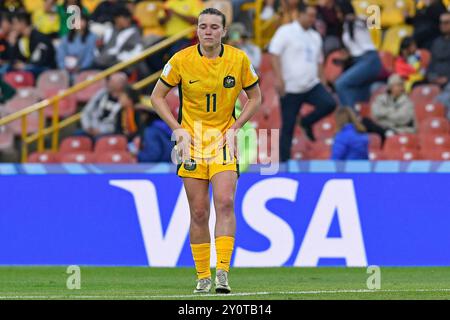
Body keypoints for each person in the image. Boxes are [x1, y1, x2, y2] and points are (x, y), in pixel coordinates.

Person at [150, 8, 261, 294]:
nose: (208, 31)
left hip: (223, 141)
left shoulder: (238, 59)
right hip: (192, 145)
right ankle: (202, 276)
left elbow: (256, 97)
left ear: (224, 31)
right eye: (203, 26)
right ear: (196, 30)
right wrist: (177, 128)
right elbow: (157, 96)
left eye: (214, 26)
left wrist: (236, 127)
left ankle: (222, 272)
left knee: (224, 202)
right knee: (198, 212)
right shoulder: (180, 60)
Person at [269, 2, 336, 161]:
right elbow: (274, 55)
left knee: (329, 103)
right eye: (310, 15)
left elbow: (319, 61)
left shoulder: (315, 36)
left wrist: (324, 82)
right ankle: (283, 162)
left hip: (311, 84)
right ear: (299, 14)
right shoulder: (286, 31)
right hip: (291, 87)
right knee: (288, 126)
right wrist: (279, 79)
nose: (313, 19)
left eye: (314, 16)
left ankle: (306, 122)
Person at [334, 0, 382, 109]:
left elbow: (374, 21)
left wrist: (355, 17)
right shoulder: (345, 26)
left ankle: (351, 121)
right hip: (358, 61)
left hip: (370, 59)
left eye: (339, 12)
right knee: (356, 95)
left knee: (341, 84)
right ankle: (357, 120)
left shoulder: (358, 21)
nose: (338, 15)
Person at [362, 74, 416, 144]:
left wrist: (384, 116)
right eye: (397, 85)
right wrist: (392, 111)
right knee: (365, 121)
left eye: (401, 85)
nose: (399, 88)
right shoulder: (381, 99)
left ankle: (386, 134)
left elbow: (403, 119)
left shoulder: (407, 101)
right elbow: (376, 113)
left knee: (389, 132)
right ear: (390, 87)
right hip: (381, 128)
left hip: (398, 130)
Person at [79, 72, 128, 141]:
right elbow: (86, 111)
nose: (108, 83)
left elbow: (119, 124)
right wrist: (87, 126)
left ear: (120, 85)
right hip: (91, 128)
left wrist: (101, 130)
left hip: (108, 132)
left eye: (111, 81)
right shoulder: (101, 94)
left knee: (99, 141)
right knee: (76, 136)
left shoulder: (125, 100)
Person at [9, 11, 56, 77]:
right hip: (30, 68)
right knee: (9, 69)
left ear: (23, 23)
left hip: (45, 70)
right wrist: (12, 45)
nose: (13, 27)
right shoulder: (21, 39)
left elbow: (42, 62)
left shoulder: (40, 38)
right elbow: (14, 61)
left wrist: (25, 66)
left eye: (15, 24)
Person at [56, 12, 96, 78]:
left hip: (83, 70)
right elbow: (60, 54)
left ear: (86, 22)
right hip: (65, 69)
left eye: (82, 20)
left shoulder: (92, 37)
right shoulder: (66, 37)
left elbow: (90, 55)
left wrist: (81, 67)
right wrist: (63, 67)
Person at [428, 12, 450, 117]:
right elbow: (431, 64)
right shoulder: (436, 42)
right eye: (441, 23)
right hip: (435, 80)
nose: (443, 25)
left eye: (446, 22)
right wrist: (432, 77)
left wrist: (447, 78)